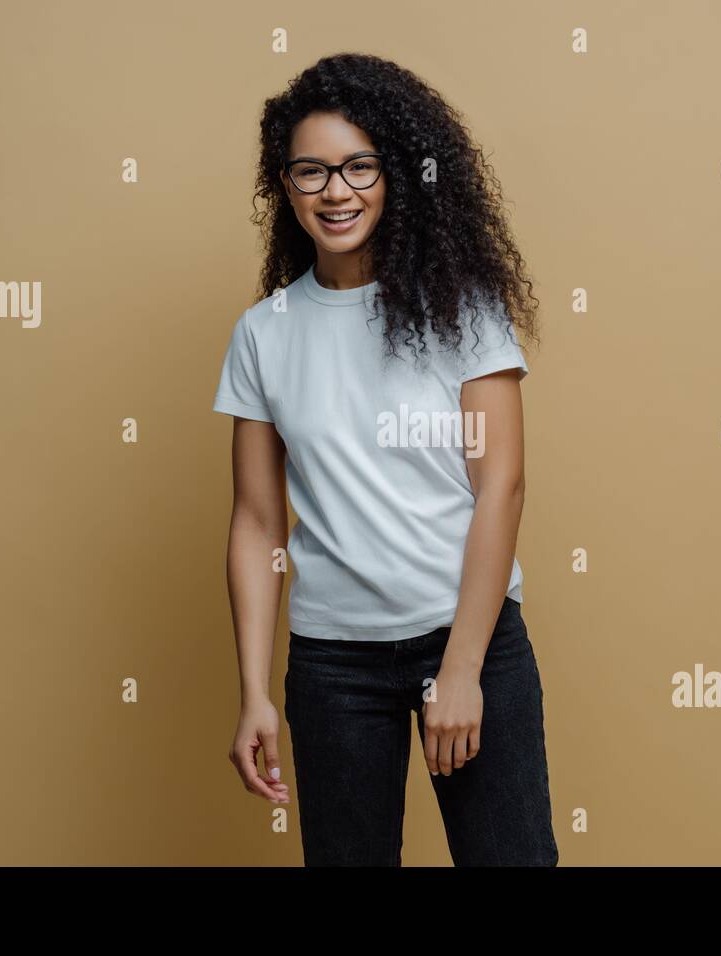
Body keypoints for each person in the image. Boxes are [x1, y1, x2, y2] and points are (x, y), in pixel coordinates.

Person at [214, 52, 557, 866]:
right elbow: (257, 519)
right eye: (310, 171)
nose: (336, 191)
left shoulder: (465, 312)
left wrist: (462, 672)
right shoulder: (264, 332)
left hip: (469, 641)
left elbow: (500, 488)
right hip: (335, 666)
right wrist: (256, 691)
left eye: (358, 166)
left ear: (398, 173)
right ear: (284, 186)